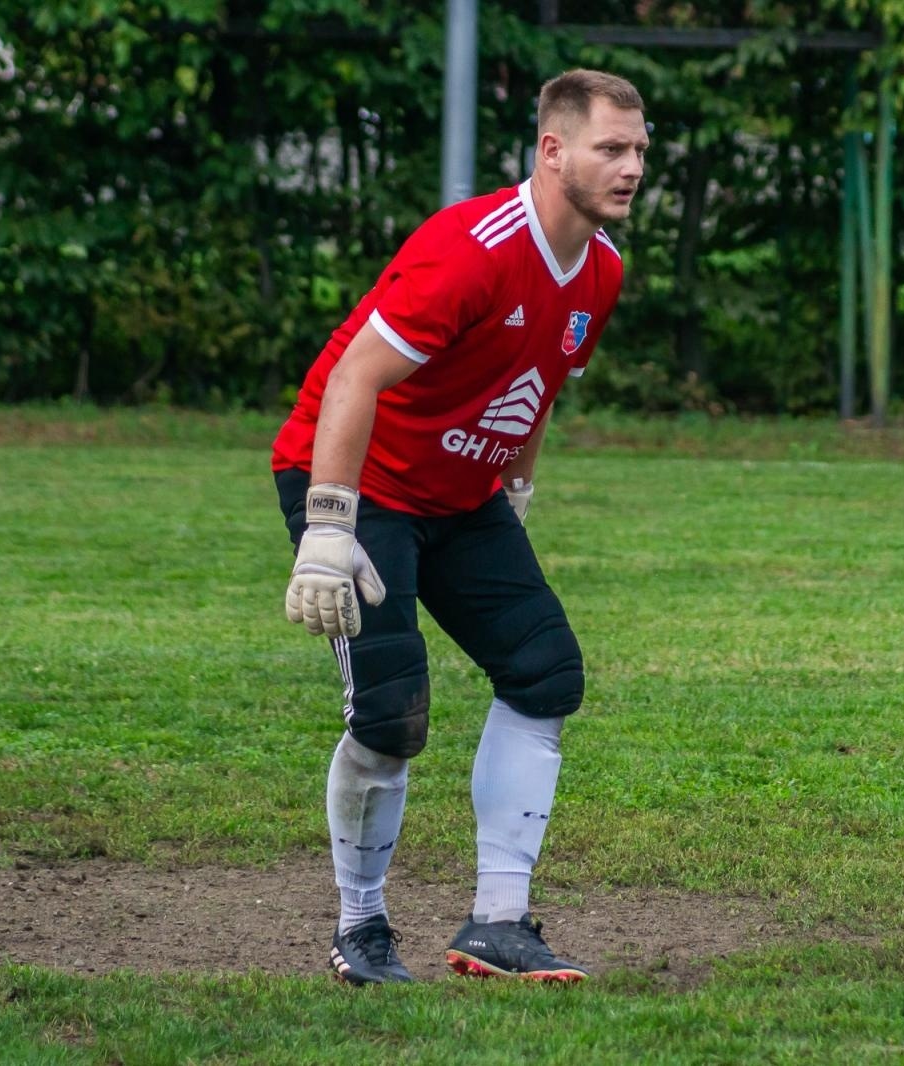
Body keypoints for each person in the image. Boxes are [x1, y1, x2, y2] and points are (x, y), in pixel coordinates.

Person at [271, 69, 647, 985]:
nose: (632, 167)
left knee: (543, 670)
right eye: (611, 148)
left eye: (640, 150)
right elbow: (355, 377)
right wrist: (329, 525)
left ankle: (499, 924)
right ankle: (361, 929)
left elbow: (538, 382)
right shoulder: (473, 249)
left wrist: (515, 489)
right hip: (359, 482)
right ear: (552, 150)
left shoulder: (601, 268)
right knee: (390, 712)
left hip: (461, 494)